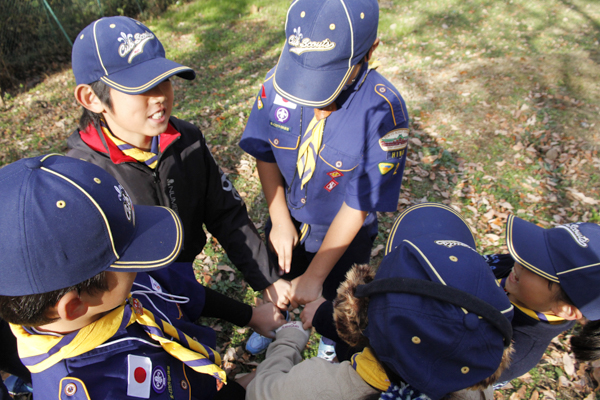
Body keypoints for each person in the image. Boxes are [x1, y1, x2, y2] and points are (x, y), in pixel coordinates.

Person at [0, 154, 284, 399]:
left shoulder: (108, 290)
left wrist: (250, 316)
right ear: (74, 306)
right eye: (130, 259)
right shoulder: (90, 388)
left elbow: (176, 291)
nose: (142, 264)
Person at [66, 16, 291, 312]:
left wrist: (267, 280)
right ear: (92, 98)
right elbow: (123, 284)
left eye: (163, 81)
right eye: (140, 88)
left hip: (183, 270)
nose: (160, 97)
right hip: (131, 303)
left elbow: (226, 214)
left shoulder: (187, 140)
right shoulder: (82, 179)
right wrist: (245, 315)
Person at [239, 0, 409, 354]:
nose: (313, 96)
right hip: (287, 220)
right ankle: (275, 321)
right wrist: (280, 219)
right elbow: (265, 152)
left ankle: (328, 340)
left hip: (343, 237)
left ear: (371, 50)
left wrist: (316, 276)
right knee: (282, 281)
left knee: (333, 295)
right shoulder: (277, 84)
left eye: (328, 78)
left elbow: (360, 202)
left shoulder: (383, 111)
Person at [246, 203, 515, 400]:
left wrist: (289, 340)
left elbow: (262, 389)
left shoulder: (310, 387)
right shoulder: (479, 394)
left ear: (360, 315)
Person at [483, 215, 600, 384]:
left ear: (565, 309)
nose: (520, 260)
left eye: (539, 267)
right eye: (535, 250)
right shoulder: (516, 270)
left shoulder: (515, 353)